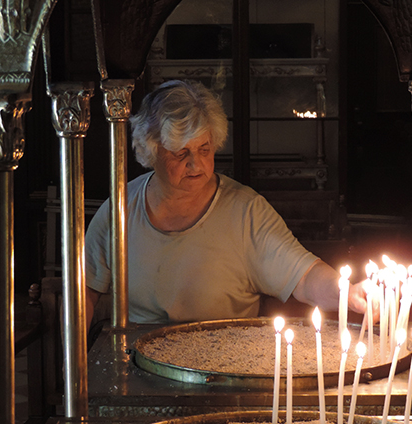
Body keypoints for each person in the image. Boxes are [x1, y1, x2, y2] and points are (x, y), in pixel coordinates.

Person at [85, 80, 372, 325]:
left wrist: (347, 293)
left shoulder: (246, 212)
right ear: (151, 150)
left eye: (204, 149)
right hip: (137, 371)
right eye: (181, 152)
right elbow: (84, 292)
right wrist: (74, 369)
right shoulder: (121, 209)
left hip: (221, 373)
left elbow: (304, 276)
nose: (195, 163)